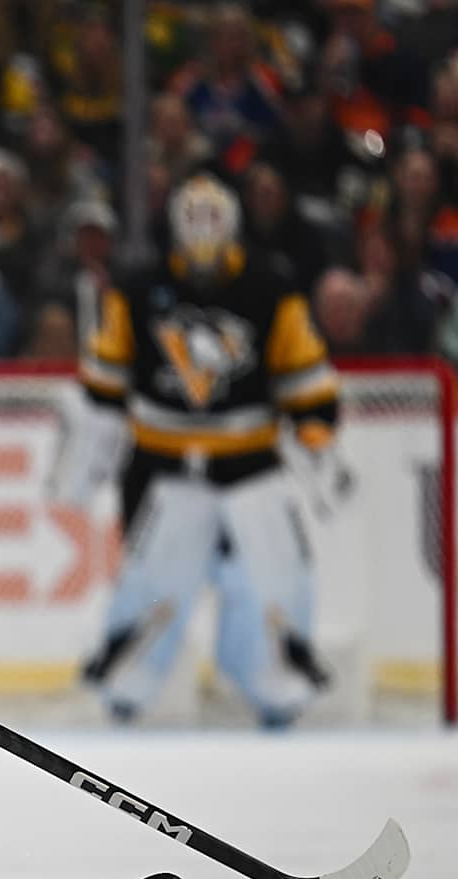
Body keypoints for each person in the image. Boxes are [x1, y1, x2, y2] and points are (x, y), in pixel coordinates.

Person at [79, 173, 340, 727]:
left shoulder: (270, 286)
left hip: (251, 465)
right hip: (165, 469)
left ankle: (279, 690)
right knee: (154, 583)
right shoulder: (137, 285)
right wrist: (88, 458)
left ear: (233, 225)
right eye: (191, 219)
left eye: (212, 219)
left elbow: (302, 368)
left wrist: (315, 427)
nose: (201, 231)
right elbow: (105, 380)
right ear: (174, 224)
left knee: (274, 578)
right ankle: (125, 689)